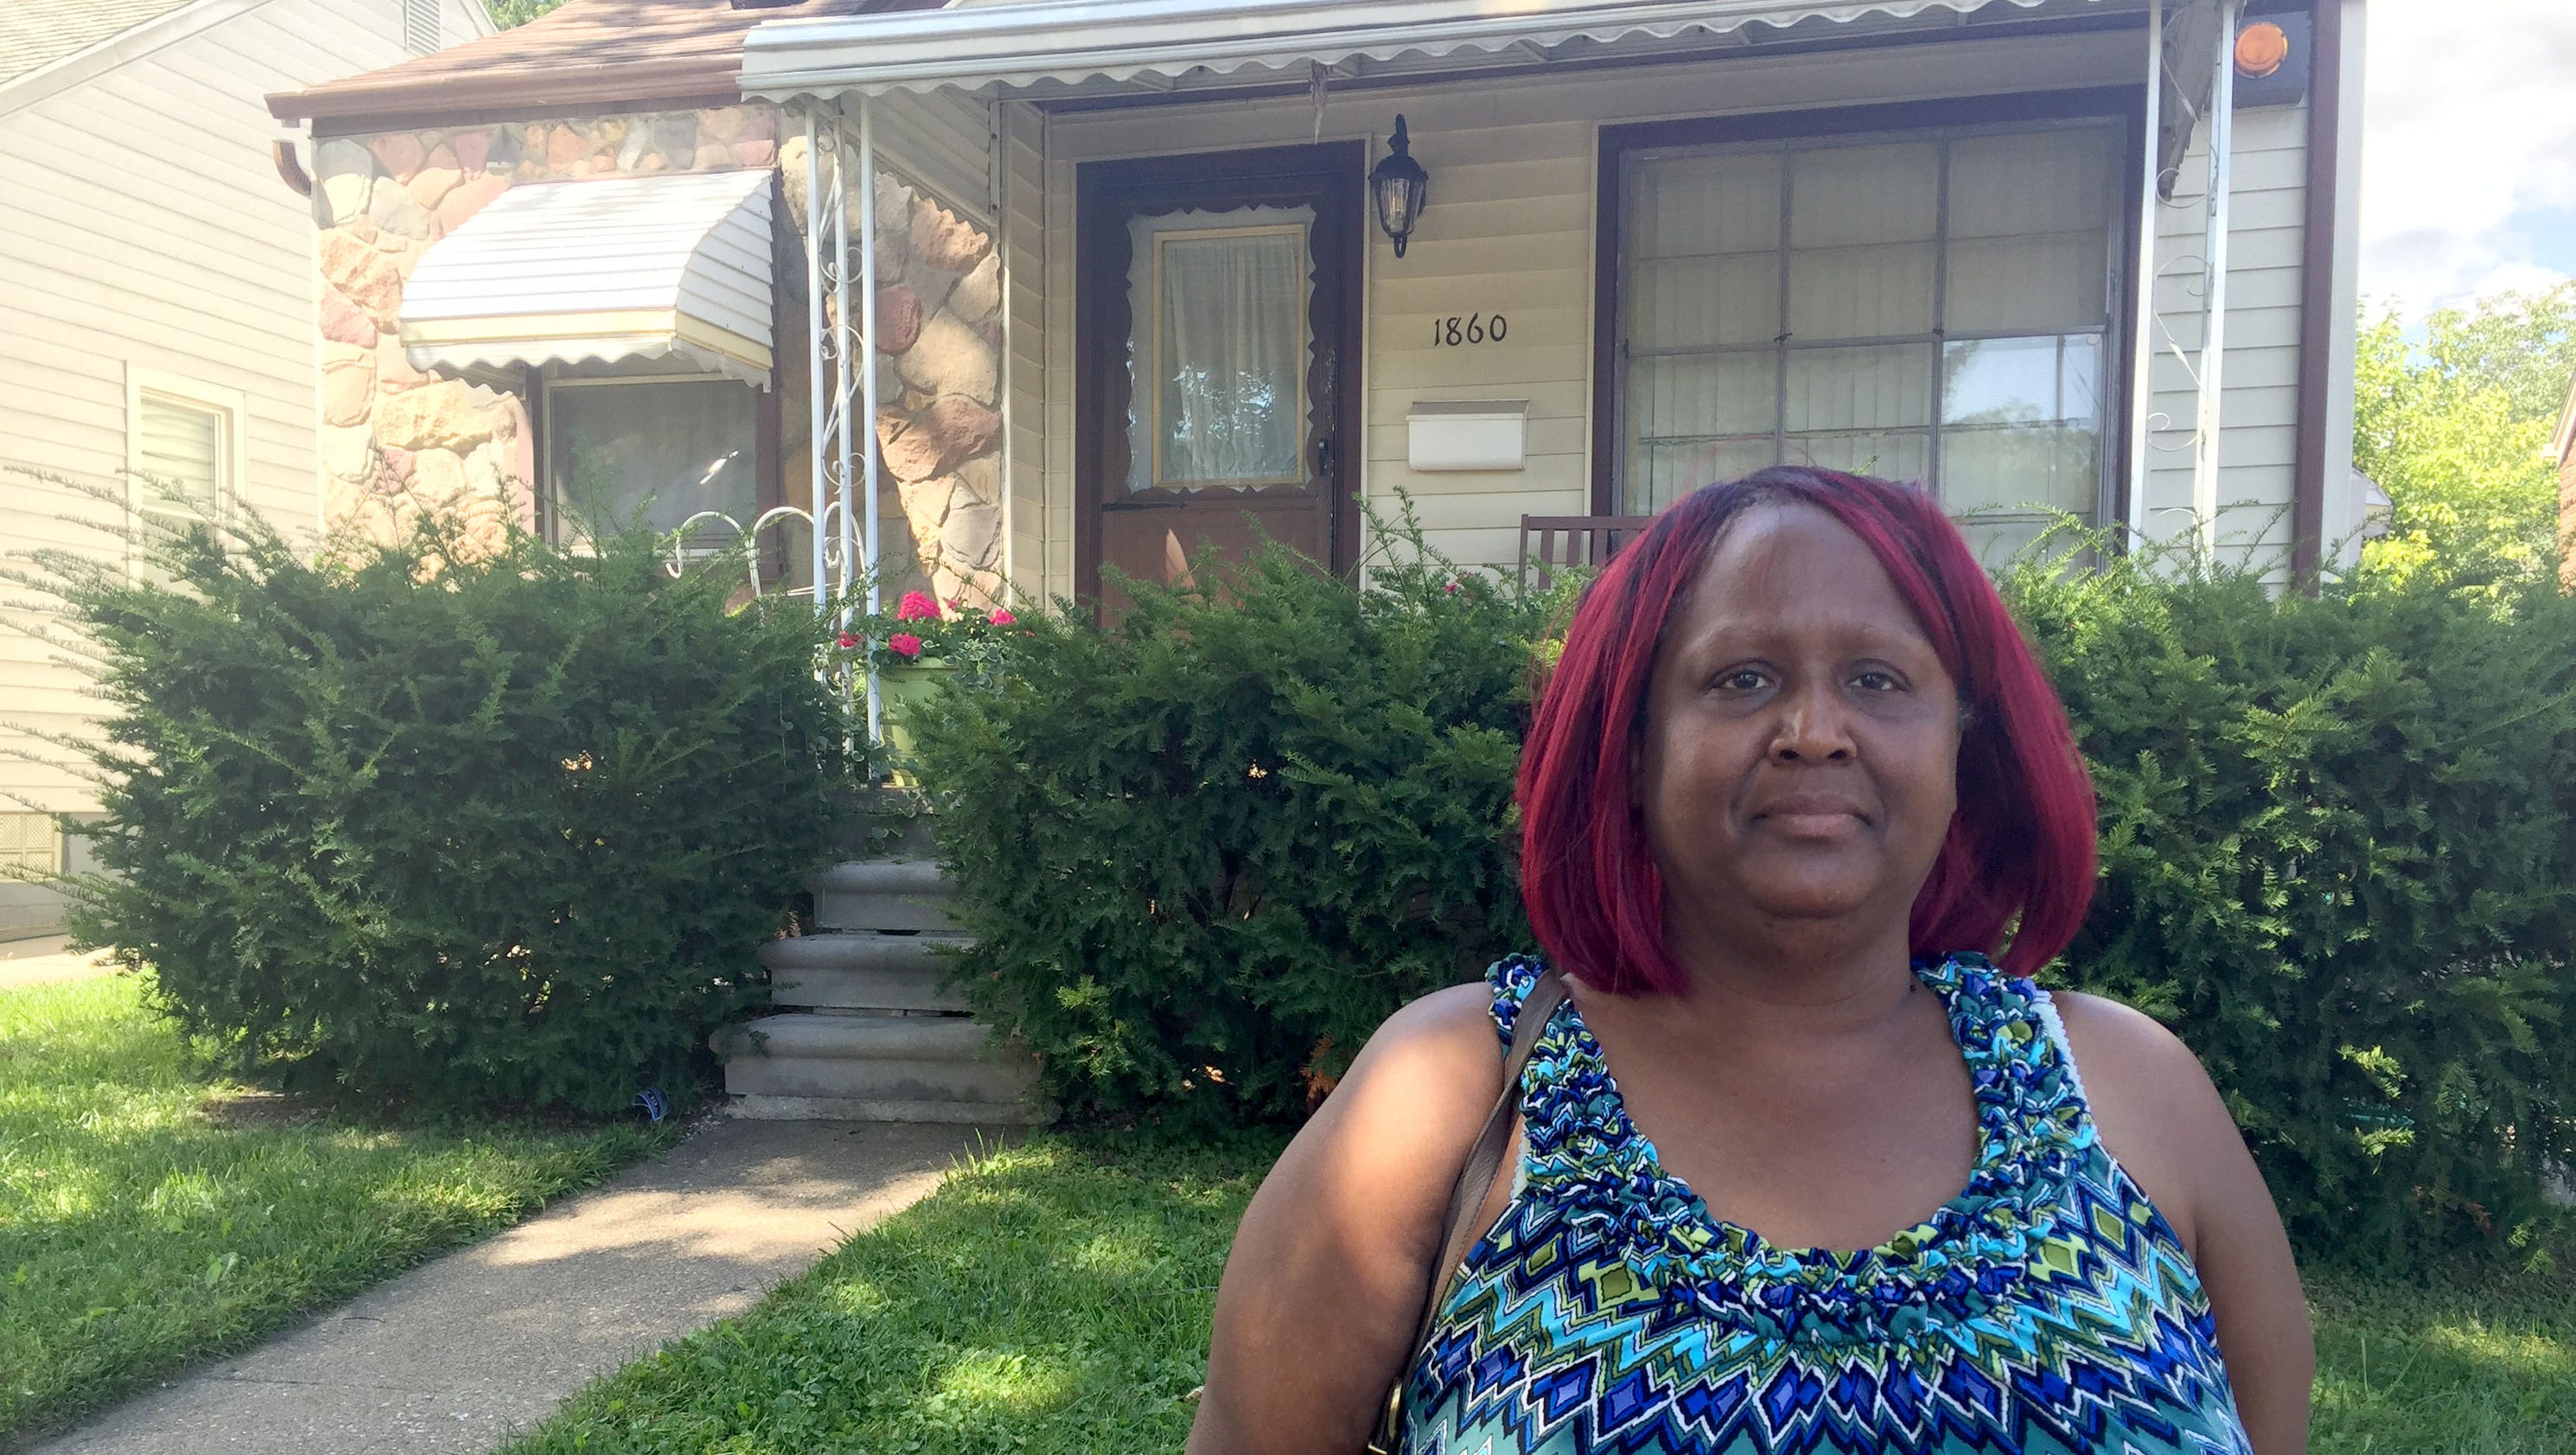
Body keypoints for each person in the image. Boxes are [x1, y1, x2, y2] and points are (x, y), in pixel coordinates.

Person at [1186, 468, 2313, 1455]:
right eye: (1743, 679)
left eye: (1877, 679)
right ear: (1632, 752)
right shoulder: (1450, 1100)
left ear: (1962, 747)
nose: (1814, 730)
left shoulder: (2132, 1092)